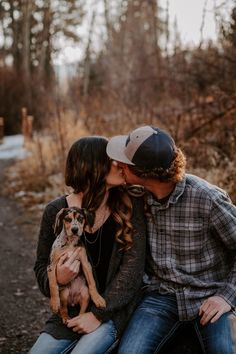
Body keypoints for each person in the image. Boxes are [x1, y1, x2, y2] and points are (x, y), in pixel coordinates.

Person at [106, 125, 236, 354]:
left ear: (144, 173)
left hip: (209, 294)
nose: (118, 165)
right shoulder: (138, 196)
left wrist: (226, 297)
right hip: (161, 296)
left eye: (124, 162)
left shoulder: (207, 199)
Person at [29, 136, 146, 354]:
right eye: (112, 160)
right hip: (71, 313)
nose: (120, 165)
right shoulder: (56, 211)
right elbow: (41, 267)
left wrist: (98, 315)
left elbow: (132, 271)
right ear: (93, 168)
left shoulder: (130, 203)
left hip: (113, 311)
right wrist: (59, 278)